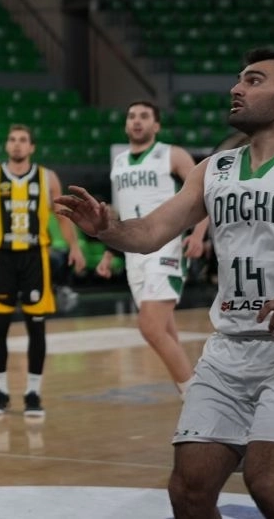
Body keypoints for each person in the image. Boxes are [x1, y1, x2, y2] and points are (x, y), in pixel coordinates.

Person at [56, 48, 274, 519]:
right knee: (189, 491)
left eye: (254, 81)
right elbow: (149, 232)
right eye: (239, 79)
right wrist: (106, 229)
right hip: (229, 351)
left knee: (269, 481)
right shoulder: (213, 169)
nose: (236, 89)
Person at [0, 124, 87, 419]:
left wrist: (74, 247)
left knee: (36, 326)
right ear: (7, 145)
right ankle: (0, 392)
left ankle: (33, 393)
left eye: (23, 140)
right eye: (12, 139)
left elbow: (62, 217)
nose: (17, 144)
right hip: (1, 256)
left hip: (34, 257)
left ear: (31, 147)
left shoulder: (47, 177)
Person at [95, 100, 203, 392]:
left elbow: (205, 192)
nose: (137, 121)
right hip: (133, 252)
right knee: (165, 332)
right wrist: (110, 251)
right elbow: (121, 211)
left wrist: (198, 234)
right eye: (131, 116)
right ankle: (193, 393)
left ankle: (195, 398)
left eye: (144, 116)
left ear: (156, 125)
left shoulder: (172, 154)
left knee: (150, 327)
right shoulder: (119, 162)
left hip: (166, 246)